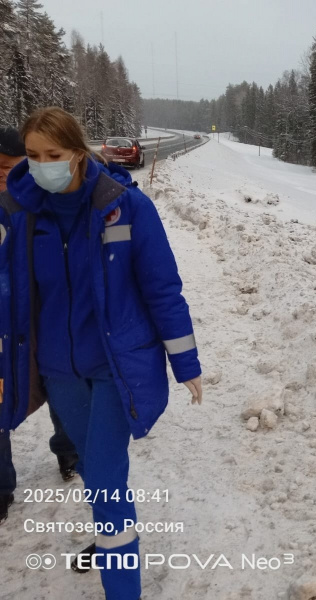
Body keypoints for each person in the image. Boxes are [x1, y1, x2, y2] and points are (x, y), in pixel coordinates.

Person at [1, 107, 203, 600]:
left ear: (77, 152)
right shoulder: (24, 213)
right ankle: (114, 533)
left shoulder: (127, 207)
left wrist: (186, 362)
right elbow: (11, 295)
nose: (42, 164)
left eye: (53, 154)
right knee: (95, 472)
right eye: (32, 155)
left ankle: (120, 575)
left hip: (116, 368)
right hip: (59, 370)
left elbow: (161, 289)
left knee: (107, 482)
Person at [0, 127, 79, 526]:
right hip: (4, 325)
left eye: (7, 167)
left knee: (58, 391)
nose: (0, 176)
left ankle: (68, 451)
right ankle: (0, 487)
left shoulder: (37, 203)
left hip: (43, 318)